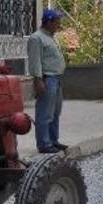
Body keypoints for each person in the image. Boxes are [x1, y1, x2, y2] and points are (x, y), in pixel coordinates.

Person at [28, 9, 68, 154]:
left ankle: (53, 140)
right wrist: (38, 80)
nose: (59, 24)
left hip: (56, 78)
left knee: (55, 112)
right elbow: (35, 61)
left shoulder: (51, 37)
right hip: (46, 78)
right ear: (49, 22)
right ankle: (44, 143)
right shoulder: (36, 38)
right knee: (45, 113)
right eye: (57, 22)